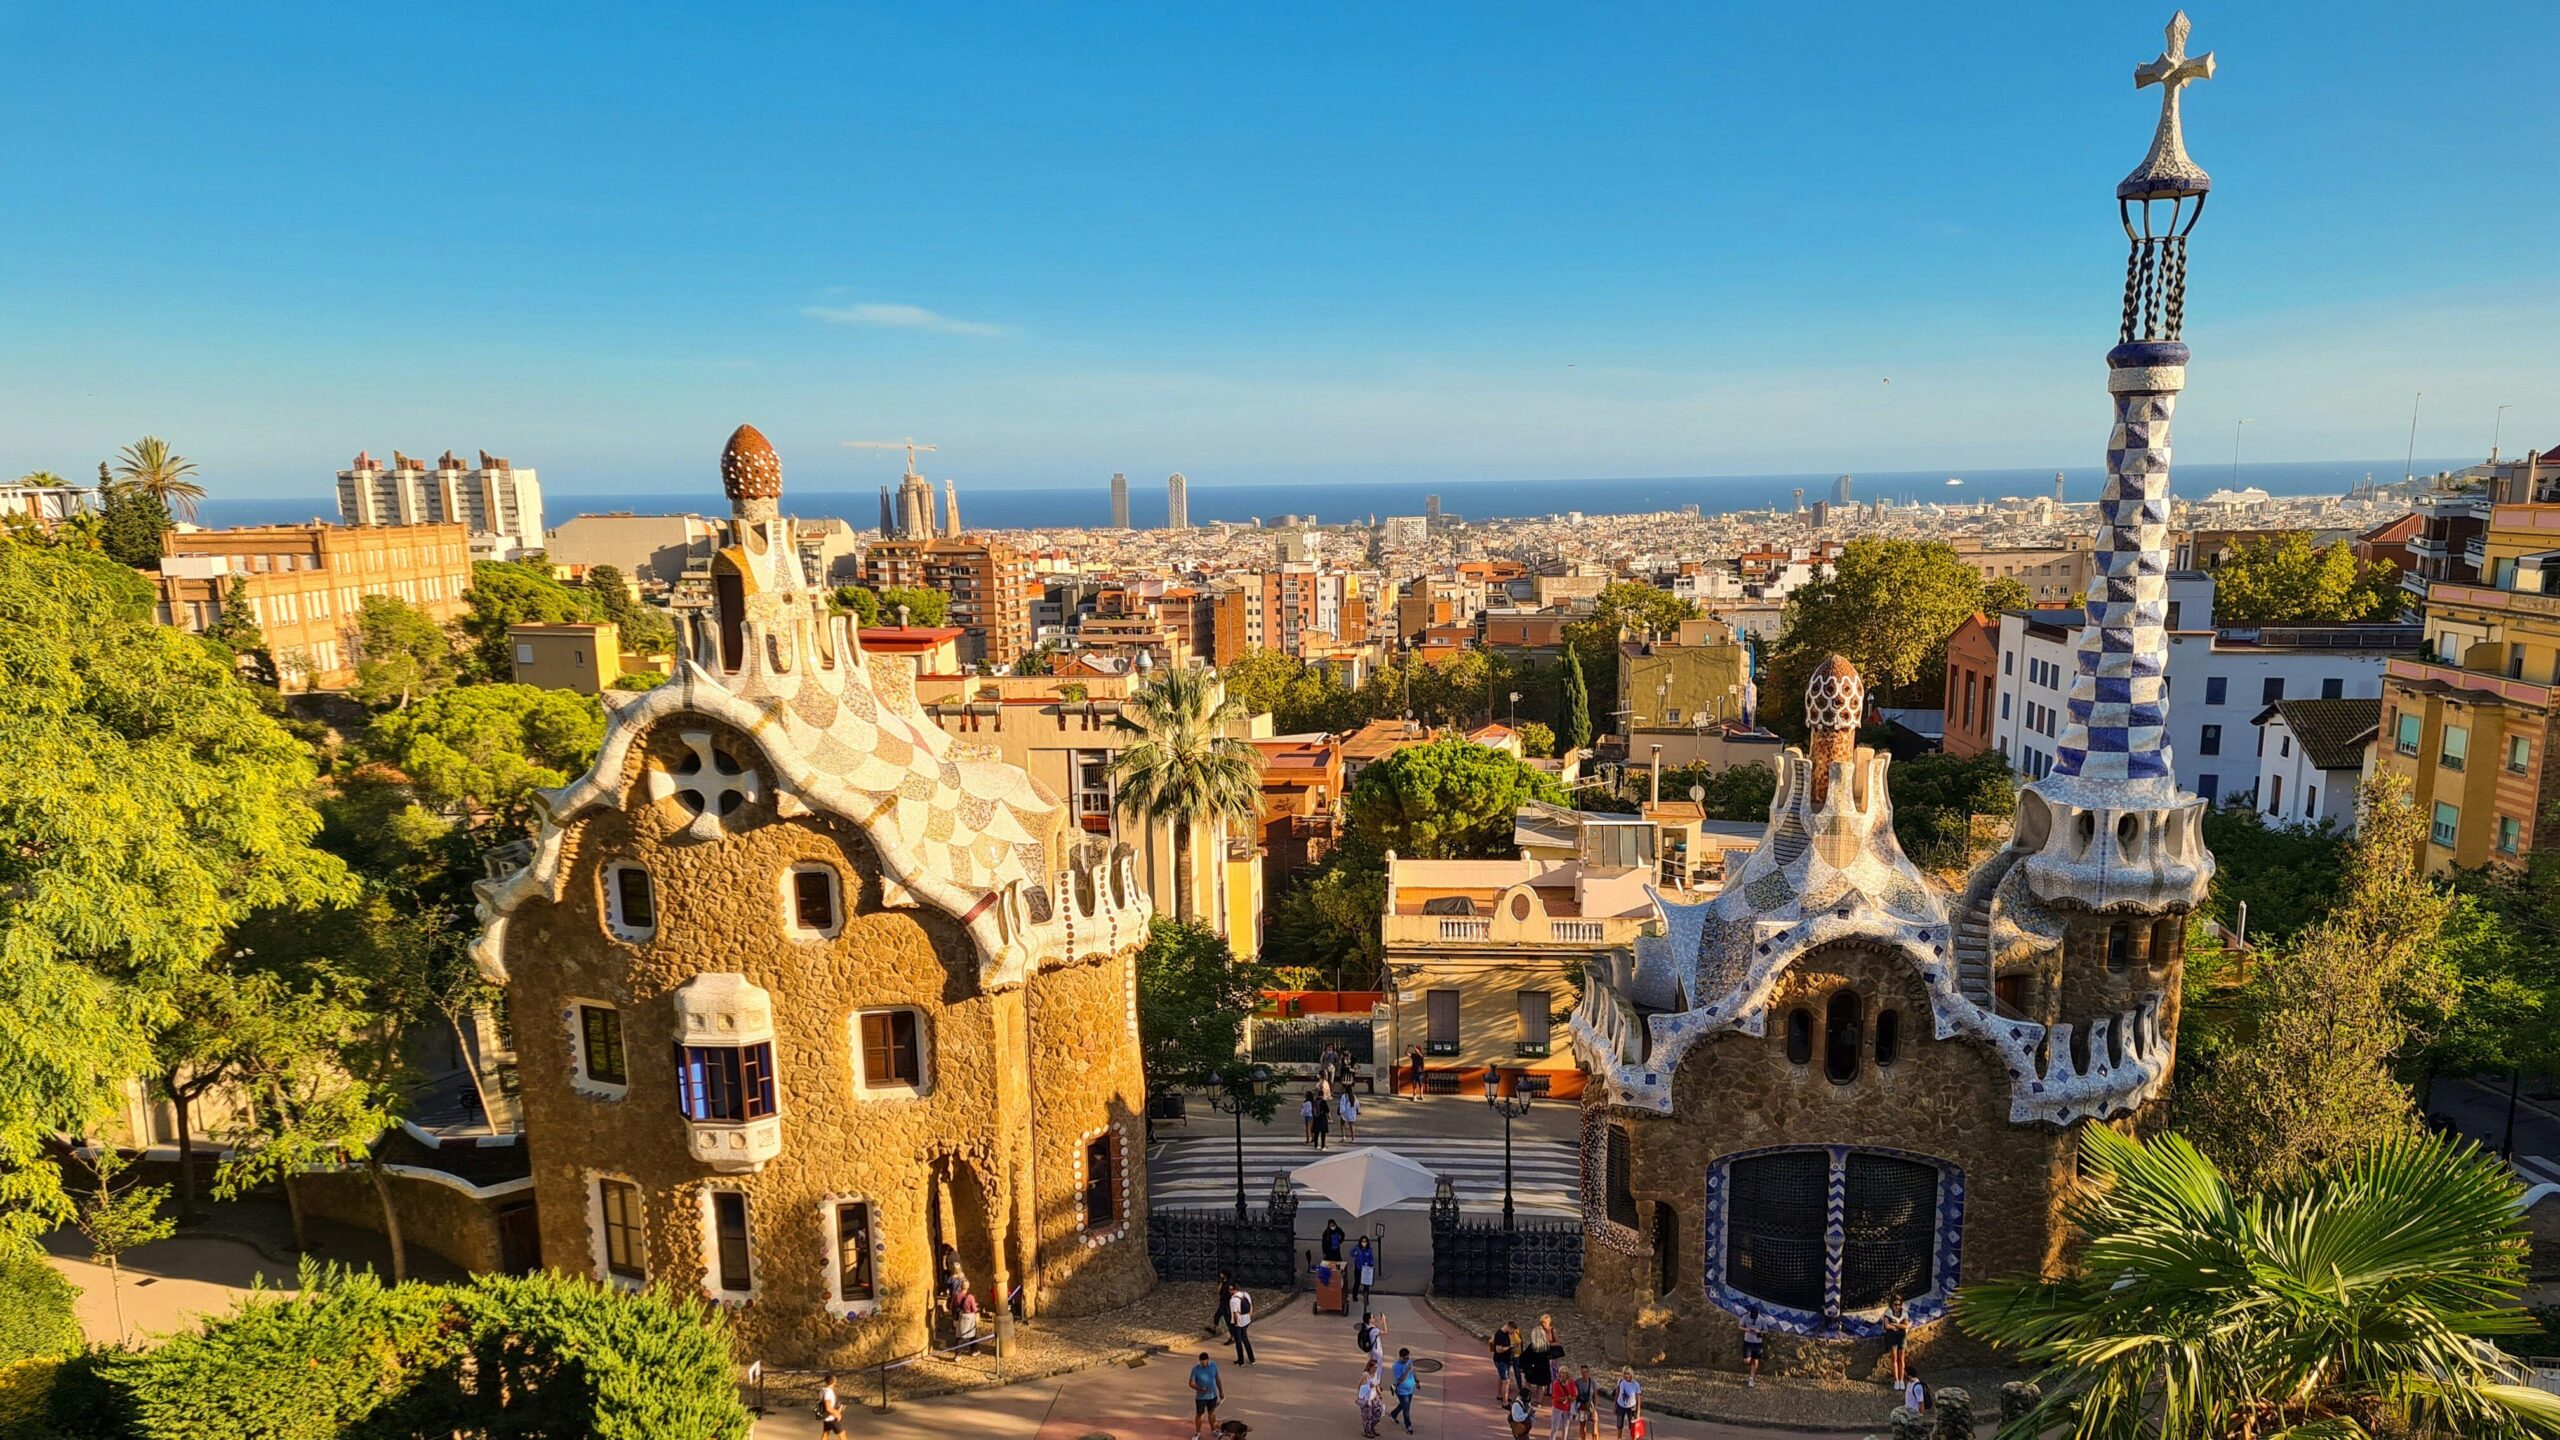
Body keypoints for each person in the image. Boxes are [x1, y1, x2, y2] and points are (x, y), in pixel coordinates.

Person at [1189, 1351, 1224, 1439]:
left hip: (1213, 1395)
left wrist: (1221, 1391)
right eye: (1202, 1362)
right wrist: (1200, 1388)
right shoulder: (1195, 1369)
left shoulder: (1213, 1365)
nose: (1204, 1364)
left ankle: (1213, 1430)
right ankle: (1197, 1432)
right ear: (1199, 1361)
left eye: (1206, 1362)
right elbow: (1191, 1383)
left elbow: (1218, 1379)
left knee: (1211, 1413)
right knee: (1199, 1414)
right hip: (1201, 1397)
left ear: (1208, 1360)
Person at [1882, 1294, 1911, 1386]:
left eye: (1899, 1304)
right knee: (1894, 1358)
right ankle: (1896, 1380)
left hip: (1901, 1336)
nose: (1897, 1307)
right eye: (1895, 1304)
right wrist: (1899, 1326)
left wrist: (1894, 1325)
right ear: (1892, 1304)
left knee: (1901, 1359)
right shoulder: (1888, 1312)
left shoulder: (1904, 1313)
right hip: (1891, 1336)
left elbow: (1906, 1325)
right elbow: (1887, 1326)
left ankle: (1901, 1380)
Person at [1390, 1348, 1420, 1433]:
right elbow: (1400, 1380)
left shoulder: (1409, 1361)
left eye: (1408, 1358)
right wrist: (1407, 1370)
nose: (1407, 1360)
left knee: (1404, 1405)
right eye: (1405, 1358)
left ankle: (1393, 1414)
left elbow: (1413, 1371)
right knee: (1406, 1409)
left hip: (1410, 1389)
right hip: (1401, 1391)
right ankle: (1408, 1426)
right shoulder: (1396, 1366)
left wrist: (1417, 1381)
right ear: (1400, 1357)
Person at [1490, 1320, 1518, 1403]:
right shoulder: (1500, 1335)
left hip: (1505, 1360)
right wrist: (1509, 1347)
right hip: (1500, 1360)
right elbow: (1498, 1349)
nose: (1512, 1333)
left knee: (1501, 1377)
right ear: (1509, 1327)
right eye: (1512, 1330)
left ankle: (1500, 1395)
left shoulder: (1506, 1334)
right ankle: (1505, 1402)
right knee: (1506, 1381)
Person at [1356, 1359, 1385, 1438]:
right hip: (1366, 1397)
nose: (1376, 1369)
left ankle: (1373, 1427)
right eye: (1374, 1367)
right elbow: (1360, 1386)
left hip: (1374, 1397)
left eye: (1376, 1367)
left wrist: (1379, 1393)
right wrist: (1369, 1386)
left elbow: (1377, 1385)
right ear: (1370, 1367)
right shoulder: (1366, 1375)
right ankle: (1367, 1431)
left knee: (1377, 1414)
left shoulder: (1375, 1374)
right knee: (1368, 1416)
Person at [1228, 1284, 1257, 1364]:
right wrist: (1249, 1317)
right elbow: (1251, 1306)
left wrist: (1236, 1323)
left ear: (1233, 1290)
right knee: (1245, 1339)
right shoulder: (1245, 1294)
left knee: (1238, 1341)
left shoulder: (1233, 1300)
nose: (1229, 1291)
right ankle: (1252, 1359)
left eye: (1230, 1290)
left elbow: (1235, 1313)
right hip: (1246, 1320)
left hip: (1239, 1322)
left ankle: (1241, 1361)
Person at [1546, 1371, 1577, 1440]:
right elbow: (1555, 1397)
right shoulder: (1556, 1383)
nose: (1563, 1375)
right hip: (1557, 1407)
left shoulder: (1571, 1383)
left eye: (1565, 1373)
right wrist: (1565, 1398)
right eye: (1562, 1373)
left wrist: (1571, 1398)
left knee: (1565, 1427)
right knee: (1555, 1427)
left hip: (1567, 1408)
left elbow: (1574, 1395)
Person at [1613, 1368, 1642, 1439]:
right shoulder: (1620, 1381)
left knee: (1632, 1426)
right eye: (1625, 1373)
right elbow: (1617, 1394)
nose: (1626, 1376)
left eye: (1628, 1374)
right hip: (1620, 1406)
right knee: (1619, 1425)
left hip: (1631, 1407)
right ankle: (1619, 1438)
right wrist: (1614, 1406)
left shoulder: (1636, 1385)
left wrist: (1638, 1412)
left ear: (1631, 1374)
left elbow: (1638, 1399)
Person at [1740, 1309, 1765, 1388]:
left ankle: (1751, 1378)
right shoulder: (1745, 1317)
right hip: (1748, 1341)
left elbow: (1766, 1331)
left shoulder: (1762, 1319)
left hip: (1757, 1343)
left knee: (1755, 1360)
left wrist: (1759, 1331)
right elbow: (1740, 1326)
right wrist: (1747, 1329)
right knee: (1746, 1360)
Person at [1574, 1365, 1600, 1439]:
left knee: (1594, 1428)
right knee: (1582, 1425)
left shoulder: (1592, 1382)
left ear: (1588, 1372)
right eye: (1583, 1372)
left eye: (1586, 1372)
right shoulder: (1577, 1382)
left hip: (1590, 1406)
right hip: (1582, 1406)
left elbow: (1595, 1396)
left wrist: (1594, 1409)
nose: (1584, 1374)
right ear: (1581, 1373)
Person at [816, 1371, 844, 1436]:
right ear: (834, 1381)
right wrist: (837, 1414)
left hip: (826, 1416)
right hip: (831, 1417)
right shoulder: (828, 1392)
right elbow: (828, 1407)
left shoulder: (823, 1390)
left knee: (825, 1434)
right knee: (843, 1434)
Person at [1351, 1235, 1377, 1301]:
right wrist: (1354, 1252)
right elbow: (1351, 1253)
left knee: (1366, 1285)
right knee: (1357, 1283)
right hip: (1358, 1269)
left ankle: (1366, 1298)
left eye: (1365, 1241)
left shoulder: (1369, 1250)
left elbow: (1371, 1258)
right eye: (1363, 1241)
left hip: (1366, 1270)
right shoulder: (1357, 1248)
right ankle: (1354, 1296)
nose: (1364, 1243)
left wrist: (1371, 1265)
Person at [1209, 1271, 1235, 1338]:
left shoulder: (1230, 1283)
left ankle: (1232, 1336)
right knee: (1217, 1315)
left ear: (1225, 1275)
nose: (1220, 1275)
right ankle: (1213, 1329)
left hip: (1226, 1304)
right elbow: (1218, 1291)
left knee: (1227, 1320)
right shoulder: (1223, 1283)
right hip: (1222, 1302)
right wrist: (1221, 1282)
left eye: (1222, 1274)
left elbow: (1232, 1293)